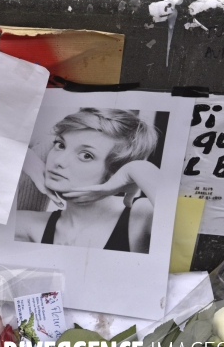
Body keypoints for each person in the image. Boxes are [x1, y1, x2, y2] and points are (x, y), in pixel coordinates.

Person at [15, 108, 160, 254]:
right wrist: (28, 159)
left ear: (115, 171)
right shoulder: (27, 224)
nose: (58, 161)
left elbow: (180, 225)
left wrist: (140, 169)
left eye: (86, 155)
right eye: (60, 145)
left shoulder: (141, 216)